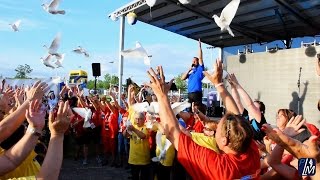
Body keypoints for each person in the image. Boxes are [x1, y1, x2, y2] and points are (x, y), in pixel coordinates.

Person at [146, 61, 261, 179]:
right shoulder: (251, 151)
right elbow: (236, 117)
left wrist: (161, 95)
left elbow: (172, 133)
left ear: (224, 141)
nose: (216, 128)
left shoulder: (218, 166)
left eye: (217, 129)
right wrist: (219, 84)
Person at [228, 73, 267, 142]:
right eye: (253, 105)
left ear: (261, 112)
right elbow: (237, 102)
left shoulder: (261, 121)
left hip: (257, 149)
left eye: (255, 107)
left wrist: (237, 85)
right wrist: (233, 86)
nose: (252, 108)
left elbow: (250, 104)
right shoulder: (246, 116)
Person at [181, 39, 204, 104]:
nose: (193, 62)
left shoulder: (200, 68)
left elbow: (200, 57)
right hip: (190, 93)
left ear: (198, 62)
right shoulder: (191, 71)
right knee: (190, 110)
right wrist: (188, 70)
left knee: (197, 110)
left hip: (197, 93)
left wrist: (199, 47)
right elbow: (182, 78)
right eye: (192, 61)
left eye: (194, 61)